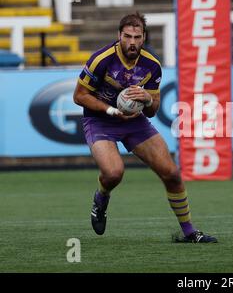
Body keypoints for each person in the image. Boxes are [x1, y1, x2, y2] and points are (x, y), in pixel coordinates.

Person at [73, 12, 217, 243]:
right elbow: (79, 96)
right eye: (127, 36)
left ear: (144, 37)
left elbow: (152, 110)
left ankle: (190, 232)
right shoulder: (101, 59)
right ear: (119, 36)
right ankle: (101, 198)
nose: (132, 42)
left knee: (171, 173)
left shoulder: (152, 64)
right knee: (113, 173)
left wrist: (147, 100)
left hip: (134, 122)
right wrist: (110, 110)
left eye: (137, 37)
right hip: (101, 120)